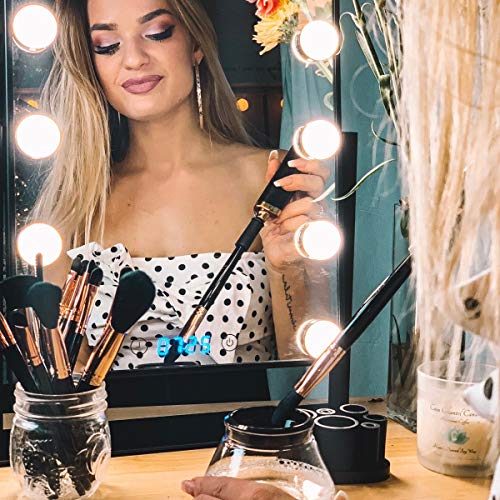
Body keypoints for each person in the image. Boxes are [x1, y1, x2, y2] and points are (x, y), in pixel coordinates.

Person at [36, 0, 332, 368]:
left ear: (196, 43)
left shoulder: (269, 178)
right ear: (90, 62)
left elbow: (308, 372)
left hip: (249, 408)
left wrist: (287, 267)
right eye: (107, 46)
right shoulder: (76, 205)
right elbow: (61, 384)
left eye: (157, 33)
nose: (134, 59)